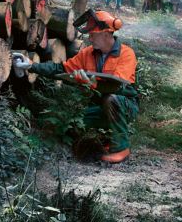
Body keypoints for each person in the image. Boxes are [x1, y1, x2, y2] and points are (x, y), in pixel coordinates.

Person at [18, 10, 139, 164]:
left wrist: (90, 82)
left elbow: (117, 87)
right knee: (71, 121)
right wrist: (31, 65)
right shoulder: (87, 53)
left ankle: (121, 149)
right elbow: (60, 69)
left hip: (125, 104)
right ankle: (107, 136)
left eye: (93, 34)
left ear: (106, 34)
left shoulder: (126, 54)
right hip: (100, 105)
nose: (90, 38)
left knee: (112, 99)